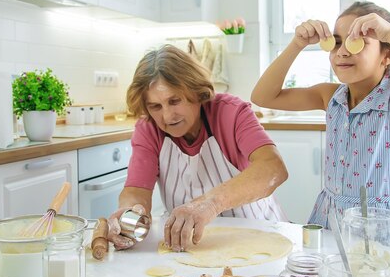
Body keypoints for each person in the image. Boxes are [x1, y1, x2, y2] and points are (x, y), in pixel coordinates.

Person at [251, 2, 390, 263]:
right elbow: (263, 96)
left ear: (388, 55)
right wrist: (297, 44)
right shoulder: (329, 96)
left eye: (357, 42)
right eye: (337, 42)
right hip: (330, 219)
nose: (342, 52)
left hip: (380, 229)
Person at [108, 45, 288, 252]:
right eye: (155, 106)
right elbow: (137, 190)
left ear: (196, 92)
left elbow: (273, 168)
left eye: (174, 101)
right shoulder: (148, 128)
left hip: (259, 238)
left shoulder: (230, 112)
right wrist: (130, 216)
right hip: (194, 248)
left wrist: (210, 203)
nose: (167, 116)